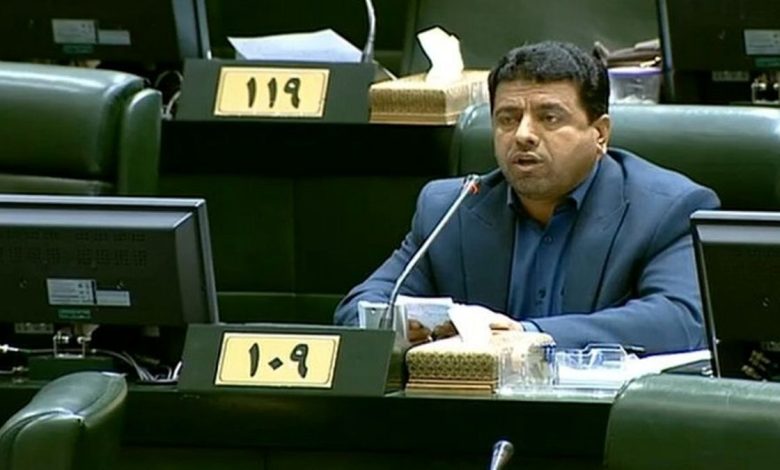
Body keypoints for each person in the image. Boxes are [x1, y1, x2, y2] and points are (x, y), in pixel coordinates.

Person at [334, 41, 720, 355]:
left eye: (549, 118)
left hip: (606, 418)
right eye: (507, 118)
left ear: (600, 133)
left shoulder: (666, 209)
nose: (522, 135)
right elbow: (360, 308)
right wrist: (414, 326)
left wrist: (528, 335)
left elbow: (681, 320)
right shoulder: (450, 209)